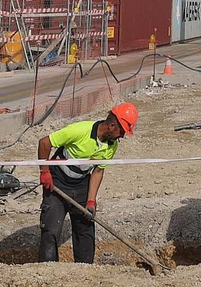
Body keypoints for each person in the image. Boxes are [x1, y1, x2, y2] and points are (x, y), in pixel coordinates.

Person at [36, 103, 137, 263]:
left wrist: (91, 200)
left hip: (81, 184)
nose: (122, 136)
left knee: (85, 230)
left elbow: (97, 171)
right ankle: (48, 271)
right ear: (112, 125)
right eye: (122, 131)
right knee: (51, 230)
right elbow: (44, 143)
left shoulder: (112, 145)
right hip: (57, 182)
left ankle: (85, 271)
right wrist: (45, 172)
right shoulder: (80, 130)